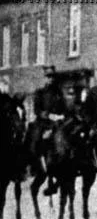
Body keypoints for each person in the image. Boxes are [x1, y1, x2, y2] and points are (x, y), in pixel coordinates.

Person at [29, 66, 67, 196]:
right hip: (44, 123)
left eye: (52, 77)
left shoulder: (58, 92)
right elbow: (37, 110)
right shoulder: (39, 92)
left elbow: (64, 108)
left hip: (57, 123)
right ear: (45, 78)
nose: (50, 79)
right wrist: (49, 115)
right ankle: (38, 163)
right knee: (40, 139)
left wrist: (62, 115)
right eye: (48, 77)